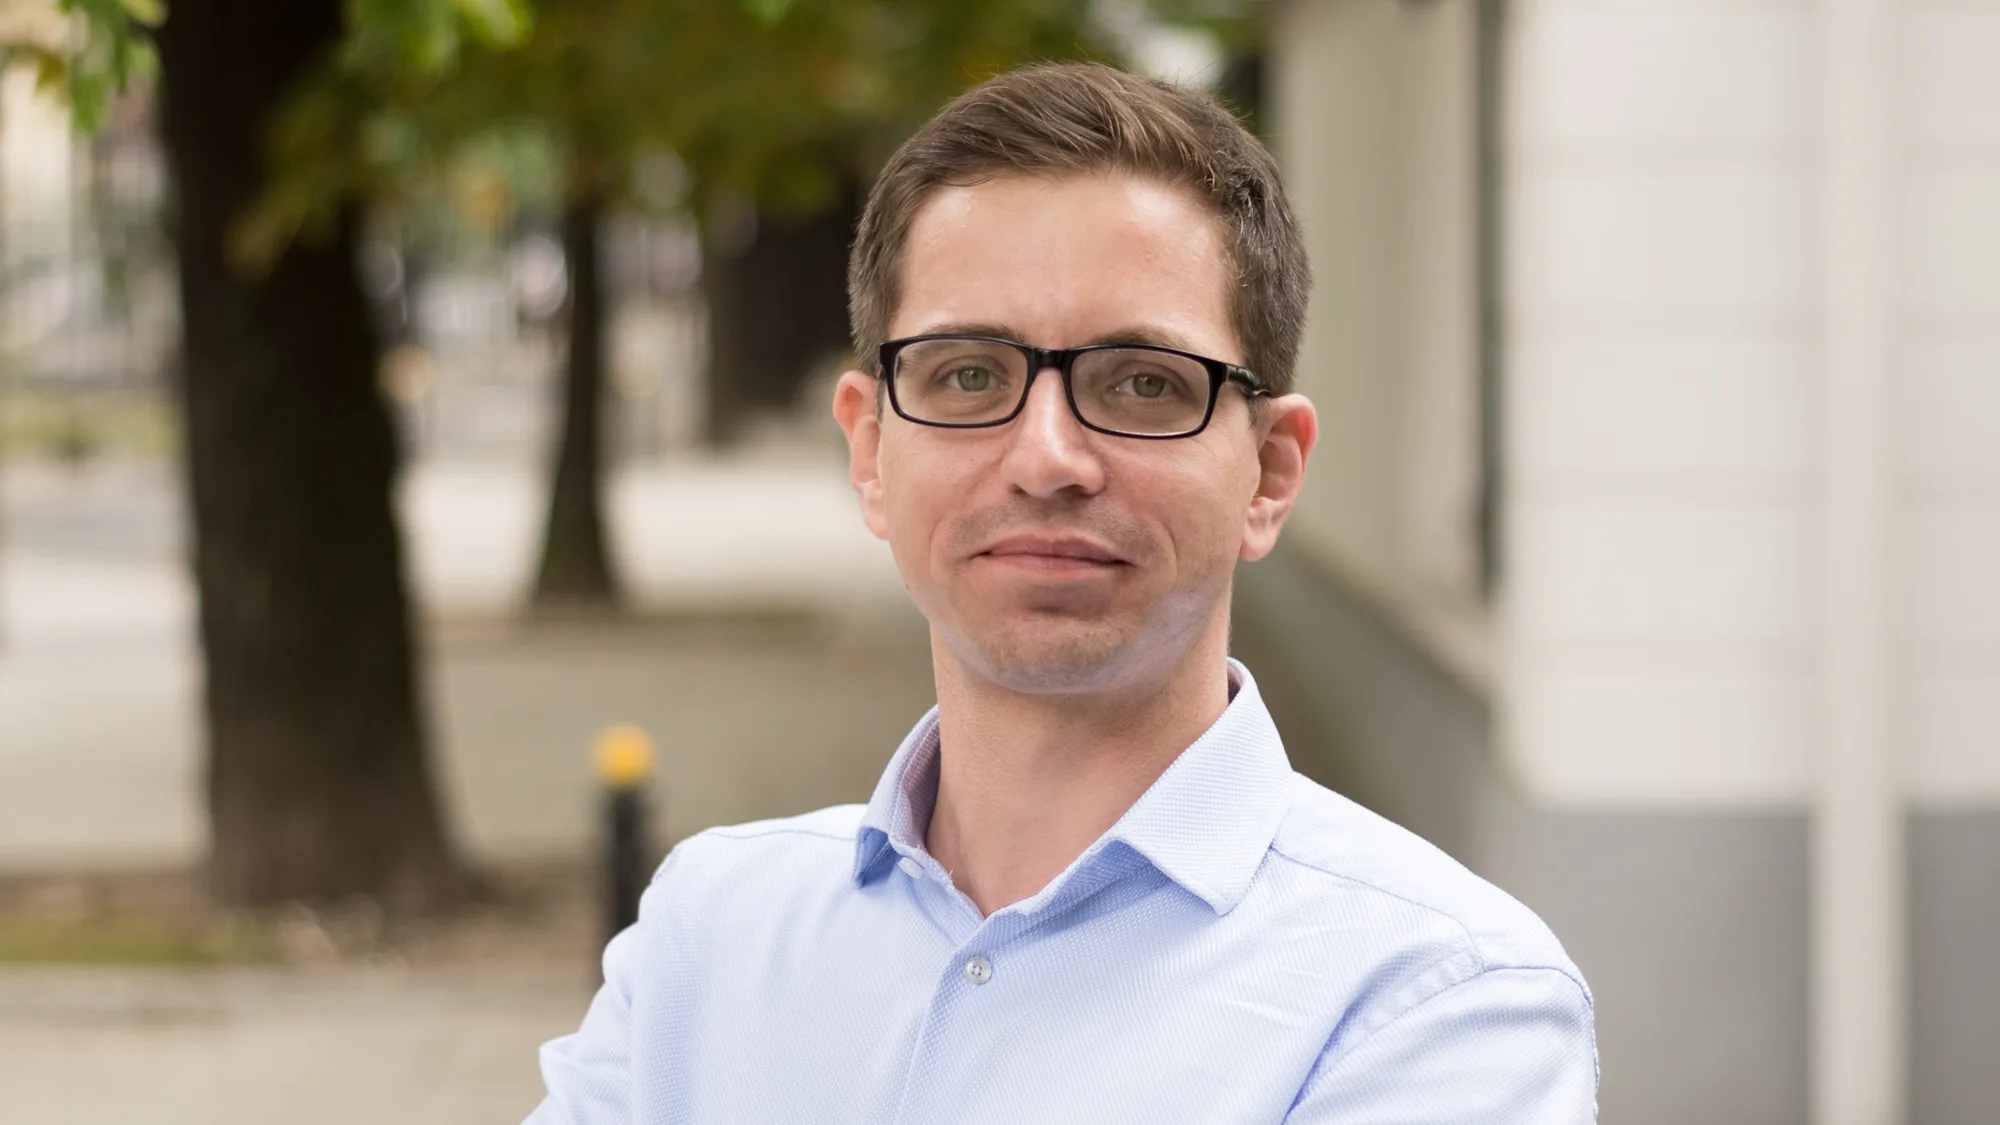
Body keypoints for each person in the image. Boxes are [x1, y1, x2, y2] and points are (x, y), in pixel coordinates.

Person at [526, 62, 1597, 1124]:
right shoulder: (707, 935)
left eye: (1141, 384)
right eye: (967, 375)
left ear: (1268, 474)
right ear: (868, 452)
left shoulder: (1437, 1003)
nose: (1046, 458)